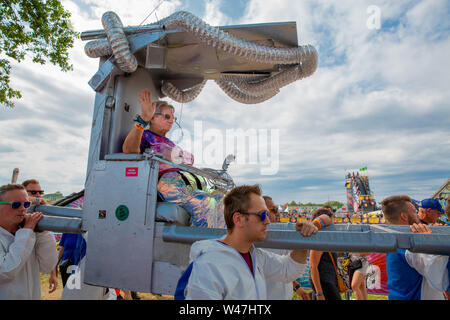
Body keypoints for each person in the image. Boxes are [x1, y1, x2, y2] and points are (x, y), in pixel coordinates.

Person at [174, 185, 332, 300]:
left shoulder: (256, 256)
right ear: (239, 219)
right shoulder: (208, 265)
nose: (268, 221)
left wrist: (303, 236)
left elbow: (288, 270)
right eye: (263, 215)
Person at [123, 88, 224, 228]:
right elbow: (129, 151)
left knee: (222, 199)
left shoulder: (169, 143)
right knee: (206, 203)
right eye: (167, 117)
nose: (171, 121)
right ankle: (203, 246)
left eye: (173, 118)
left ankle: (222, 245)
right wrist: (142, 120)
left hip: (188, 182)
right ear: (152, 117)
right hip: (169, 183)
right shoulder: (145, 135)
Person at [381, 195, 449, 300]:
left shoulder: (396, 240)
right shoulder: (408, 246)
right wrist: (432, 242)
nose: (417, 215)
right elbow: (441, 278)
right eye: (414, 211)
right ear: (404, 216)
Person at [0, 183, 58, 299]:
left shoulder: (28, 233)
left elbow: (47, 266)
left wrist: (43, 234)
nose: (22, 209)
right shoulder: (26, 233)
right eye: (15, 205)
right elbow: (5, 272)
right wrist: (27, 231)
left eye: (26, 204)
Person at [309, 208, 342, 300]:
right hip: (324, 283)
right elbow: (313, 266)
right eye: (333, 217)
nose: (334, 220)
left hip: (327, 281)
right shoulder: (320, 237)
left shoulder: (325, 237)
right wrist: (319, 293)